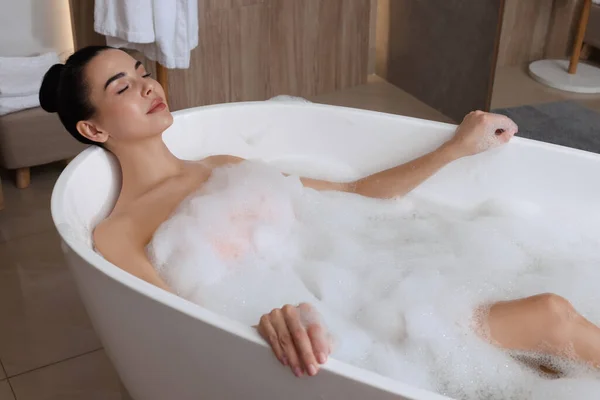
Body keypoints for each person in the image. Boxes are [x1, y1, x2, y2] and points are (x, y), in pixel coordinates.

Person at [40, 45, 600, 379]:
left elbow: (354, 197)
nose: (147, 86)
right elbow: (176, 325)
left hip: (384, 286)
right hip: (337, 339)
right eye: (123, 86)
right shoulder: (117, 233)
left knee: (549, 330)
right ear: (93, 128)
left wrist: (456, 148)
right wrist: (258, 320)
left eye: (142, 73)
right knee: (550, 314)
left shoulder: (224, 164)